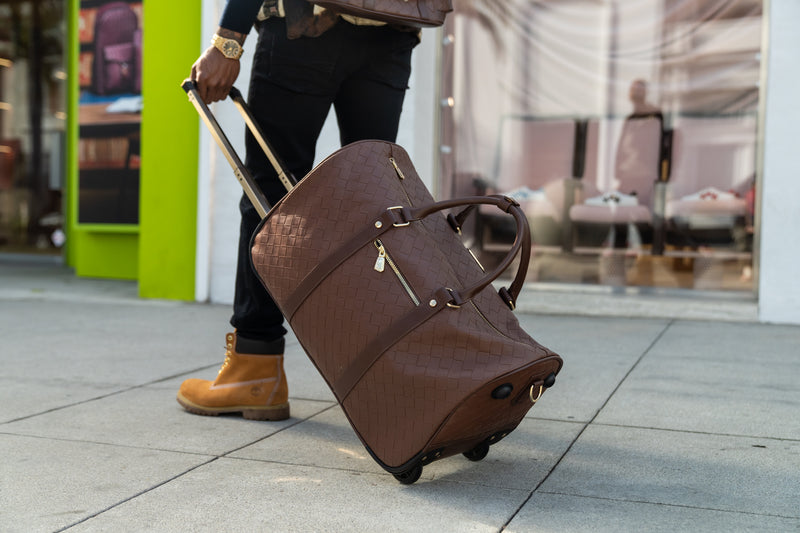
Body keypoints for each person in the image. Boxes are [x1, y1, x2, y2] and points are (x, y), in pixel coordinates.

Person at [176, 0, 419, 420]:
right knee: (376, 204)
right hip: (390, 31)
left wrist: (228, 42)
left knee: (269, 196)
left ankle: (255, 367)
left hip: (304, 27)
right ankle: (390, 378)